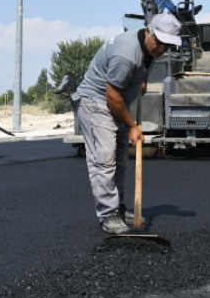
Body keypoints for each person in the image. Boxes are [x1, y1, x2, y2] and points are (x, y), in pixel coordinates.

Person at [73, 12, 182, 234]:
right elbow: (111, 94)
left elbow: (135, 75)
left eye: (168, 46)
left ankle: (119, 209)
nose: (162, 49)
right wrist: (132, 126)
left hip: (116, 103)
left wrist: (139, 82)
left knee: (120, 159)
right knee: (104, 160)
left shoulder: (150, 48)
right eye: (159, 43)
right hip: (96, 102)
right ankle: (108, 215)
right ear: (149, 31)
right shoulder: (127, 53)